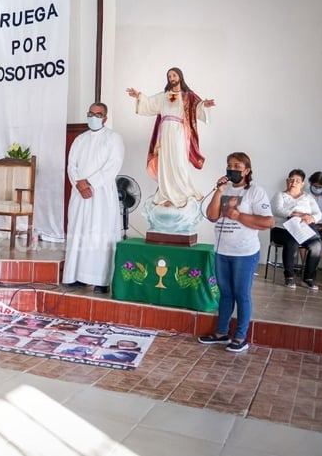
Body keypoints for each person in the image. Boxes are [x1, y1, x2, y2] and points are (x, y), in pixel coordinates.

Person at [199, 152, 274, 353]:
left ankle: (240, 337)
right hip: (222, 251)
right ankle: (221, 333)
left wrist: (239, 216)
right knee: (225, 294)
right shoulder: (225, 189)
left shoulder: (256, 192)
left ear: (247, 170)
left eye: (237, 166)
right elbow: (212, 216)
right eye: (229, 165)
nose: (232, 169)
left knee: (241, 294)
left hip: (245, 253)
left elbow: (268, 222)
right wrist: (218, 191)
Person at [126, 67, 216, 208]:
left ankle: (183, 192)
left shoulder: (188, 95)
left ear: (180, 76)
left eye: (174, 75)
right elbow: (149, 103)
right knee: (165, 163)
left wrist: (205, 105)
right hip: (165, 133)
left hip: (179, 132)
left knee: (179, 162)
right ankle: (166, 194)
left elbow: (197, 107)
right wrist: (139, 96)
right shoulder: (163, 96)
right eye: (169, 76)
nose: (171, 78)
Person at [63, 102, 124, 293]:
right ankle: (76, 276)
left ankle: (100, 280)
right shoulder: (80, 139)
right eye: (90, 113)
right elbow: (71, 165)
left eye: (98, 114)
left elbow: (113, 166)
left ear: (105, 118)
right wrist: (79, 183)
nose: (93, 117)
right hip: (80, 194)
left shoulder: (113, 138)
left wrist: (90, 183)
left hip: (101, 194)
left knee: (100, 234)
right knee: (79, 233)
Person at [270, 169, 322, 290]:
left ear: (302, 184)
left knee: (317, 245)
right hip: (281, 229)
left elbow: (318, 213)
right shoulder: (280, 195)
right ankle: (289, 276)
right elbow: (276, 209)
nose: (293, 183)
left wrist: (311, 217)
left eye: (297, 181)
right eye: (291, 180)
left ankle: (308, 278)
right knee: (292, 241)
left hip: (302, 229)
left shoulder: (308, 197)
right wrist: (293, 214)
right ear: (287, 181)